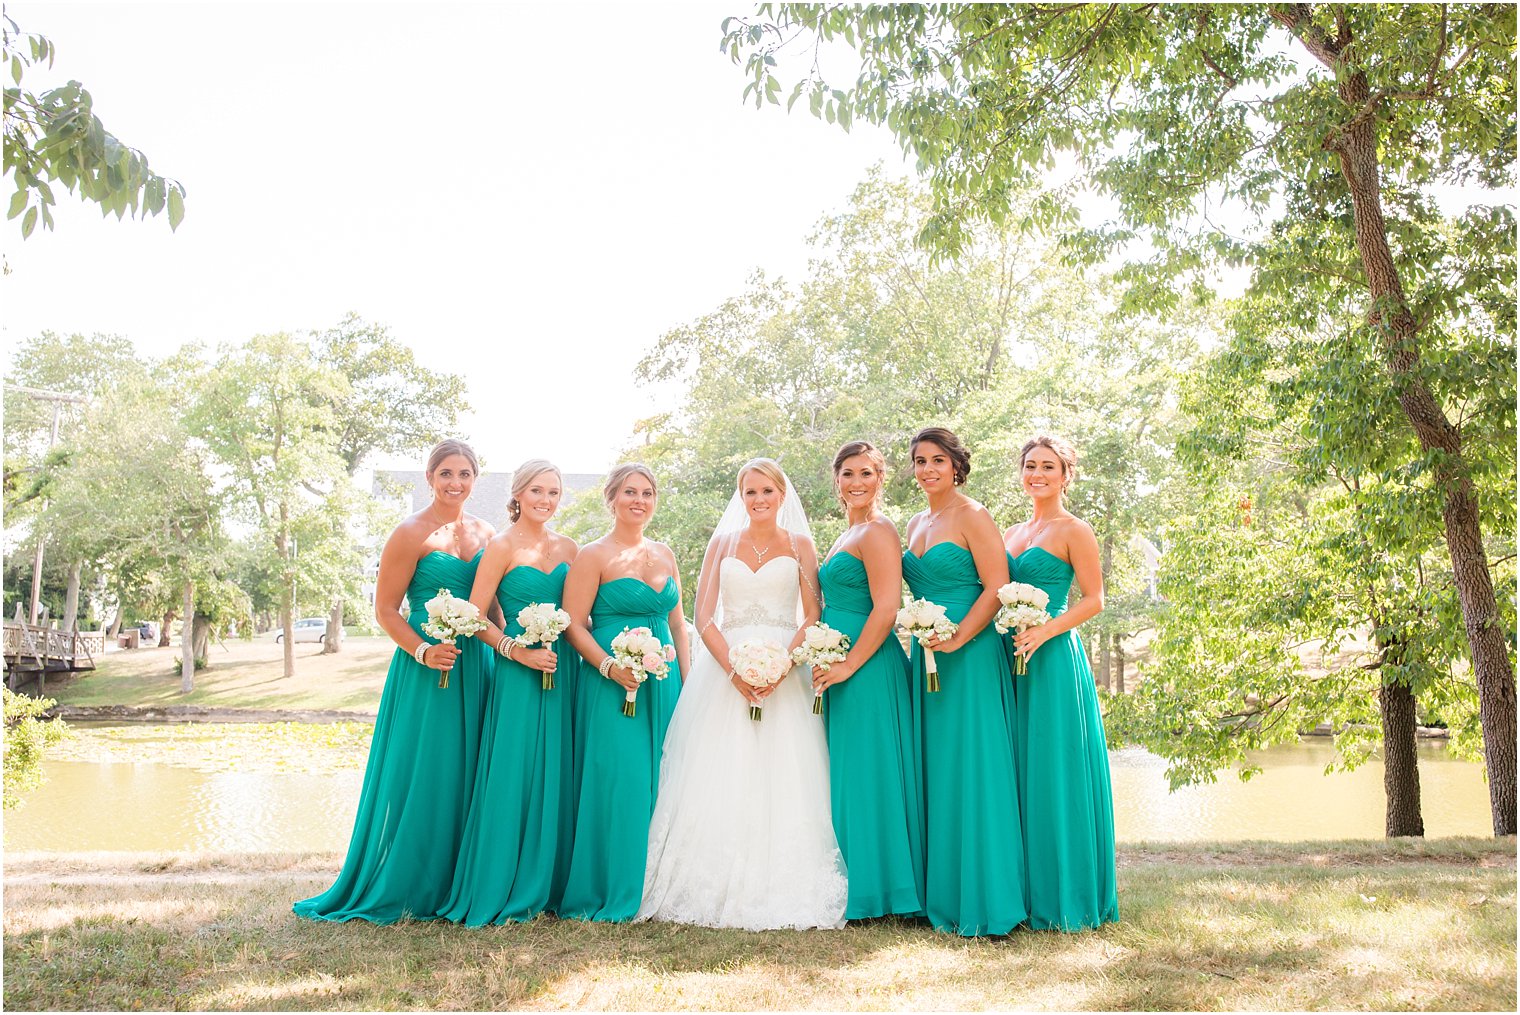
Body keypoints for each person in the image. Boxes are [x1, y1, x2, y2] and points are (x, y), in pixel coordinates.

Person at [638, 458, 848, 930]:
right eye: (750, 492)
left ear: (781, 495)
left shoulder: (800, 544)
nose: (758, 500)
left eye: (767, 492)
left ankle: (784, 880)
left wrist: (782, 665)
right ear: (741, 496)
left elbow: (814, 614)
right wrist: (734, 670)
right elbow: (703, 615)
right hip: (724, 669)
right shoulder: (722, 542)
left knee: (787, 770)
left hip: (784, 672)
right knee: (720, 768)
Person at [293, 439, 494, 924]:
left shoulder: (488, 534)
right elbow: (385, 610)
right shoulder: (409, 533)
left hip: (476, 665)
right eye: (446, 473)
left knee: (473, 769)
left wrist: (514, 650)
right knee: (428, 767)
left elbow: (495, 610)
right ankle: (413, 880)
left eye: (464, 474)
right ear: (429, 478)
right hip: (427, 666)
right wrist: (424, 651)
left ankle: (462, 880)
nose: (455, 483)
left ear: (475, 480)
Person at [438, 459, 578, 925]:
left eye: (554, 493)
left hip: (564, 669)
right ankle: (502, 880)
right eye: (537, 491)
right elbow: (474, 617)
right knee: (513, 770)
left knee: (559, 768)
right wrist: (515, 651)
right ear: (518, 494)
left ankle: (553, 883)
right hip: (518, 673)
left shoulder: (570, 548)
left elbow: (582, 614)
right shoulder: (500, 547)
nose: (545, 500)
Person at [901, 426, 1028, 936]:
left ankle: (986, 898)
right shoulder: (913, 522)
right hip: (925, 655)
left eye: (936, 459)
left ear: (956, 465)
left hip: (969, 654)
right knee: (938, 767)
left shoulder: (974, 515)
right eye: (919, 461)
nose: (927, 469)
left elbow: (997, 586)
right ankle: (940, 895)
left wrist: (955, 639)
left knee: (975, 766)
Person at [557, 463, 689, 921]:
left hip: (664, 684)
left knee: (666, 779)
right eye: (630, 492)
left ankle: (661, 882)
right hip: (614, 685)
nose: (640, 500)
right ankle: (614, 883)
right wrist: (611, 667)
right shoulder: (593, 555)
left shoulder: (666, 553)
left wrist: (688, 687)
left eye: (648, 492)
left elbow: (678, 626)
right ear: (611, 498)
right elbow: (573, 625)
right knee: (622, 781)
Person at [1003, 434, 1119, 931]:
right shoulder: (1010, 533)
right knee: (1019, 772)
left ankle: (1066, 894)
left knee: (1054, 770)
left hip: (1052, 661)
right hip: (1009, 662)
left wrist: (1045, 631)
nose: (1038, 474)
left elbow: (1094, 599)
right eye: (1031, 465)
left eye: (1049, 466)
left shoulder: (1075, 530)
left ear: (1066, 475)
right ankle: (1022, 892)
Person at [814, 441, 925, 920]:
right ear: (836, 480)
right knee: (851, 775)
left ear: (881, 478)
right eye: (847, 474)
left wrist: (847, 665)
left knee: (871, 774)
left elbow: (886, 608)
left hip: (867, 667)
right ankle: (860, 879)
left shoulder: (879, 531)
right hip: (840, 666)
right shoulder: (847, 533)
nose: (856, 482)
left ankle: (884, 891)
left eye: (866, 473)